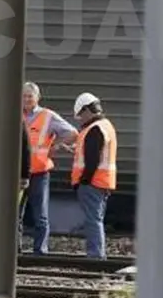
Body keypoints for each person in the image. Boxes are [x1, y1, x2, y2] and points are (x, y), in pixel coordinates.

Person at [19, 82, 78, 255]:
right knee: (15, 215)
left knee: (41, 215)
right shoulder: (14, 114)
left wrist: (57, 145)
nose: (27, 99)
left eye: (30, 96)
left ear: (38, 97)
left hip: (39, 172)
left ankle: (40, 251)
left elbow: (72, 133)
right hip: (17, 173)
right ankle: (15, 249)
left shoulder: (47, 116)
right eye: (24, 96)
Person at [71, 92, 117, 259]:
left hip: (92, 183)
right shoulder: (106, 126)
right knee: (96, 218)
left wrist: (83, 182)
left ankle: (95, 256)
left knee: (92, 220)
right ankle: (97, 254)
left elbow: (92, 160)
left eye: (80, 115)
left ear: (86, 111)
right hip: (102, 182)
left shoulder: (94, 129)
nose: (80, 120)